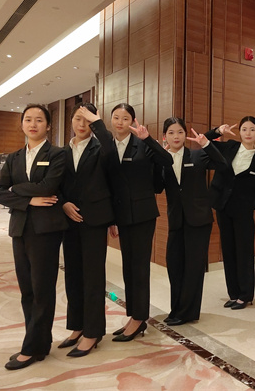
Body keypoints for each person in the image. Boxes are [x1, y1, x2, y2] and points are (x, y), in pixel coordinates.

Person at [0, 104, 68, 370]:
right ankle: (40, 343)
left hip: (45, 230)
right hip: (20, 228)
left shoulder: (57, 154)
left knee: (42, 289)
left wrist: (16, 188)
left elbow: (49, 186)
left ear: (48, 125)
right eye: (28, 120)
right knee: (27, 290)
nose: (33, 124)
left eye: (39, 120)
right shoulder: (14, 158)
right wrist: (29, 200)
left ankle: (30, 348)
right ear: (22, 124)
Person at [90, 103, 173, 341]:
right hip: (121, 214)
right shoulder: (106, 145)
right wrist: (111, 219)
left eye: (125, 118)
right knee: (128, 267)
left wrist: (148, 140)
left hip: (142, 214)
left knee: (139, 268)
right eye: (116, 117)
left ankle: (139, 318)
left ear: (133, 121)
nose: (120, 122)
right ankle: (134, 316)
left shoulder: (142, 144)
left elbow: (167, 160)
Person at [57, 103, 114, 357]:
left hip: (94, 220)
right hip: (69, 220)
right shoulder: (62, 151)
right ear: (71, 120)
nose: (82, 125)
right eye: (78, 119)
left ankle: (93, 332)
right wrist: (63, 203)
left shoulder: (101, 147)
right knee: (73, 276)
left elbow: (111, 150)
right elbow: (55, 183)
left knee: (93, 277)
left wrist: (98, 123)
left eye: (88, 121)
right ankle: (77, 326)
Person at [157, 117, 227, 325]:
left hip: (198, 220)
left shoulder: (197, 155)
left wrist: (207, 143)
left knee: (194, 268)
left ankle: (187, 313)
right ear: (164, 136)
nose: (176, 136)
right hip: (176, 221)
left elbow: (222, 165)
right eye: (171, 132)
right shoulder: (163, 160)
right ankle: (176, 309)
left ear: (185, 134)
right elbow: (157, 186)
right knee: (174, 265)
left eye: (180, 132)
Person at [204, 117, 255, 309]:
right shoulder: (229, 147)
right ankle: (234, 293)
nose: (248, 133)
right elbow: (203, 141)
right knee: (229, 250)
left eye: (252, 129)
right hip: (223, 206)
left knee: (244, 251)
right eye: (244, 129)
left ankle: (246, 295)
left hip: (244, 209)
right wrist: (218, 131)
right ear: (239, 132)